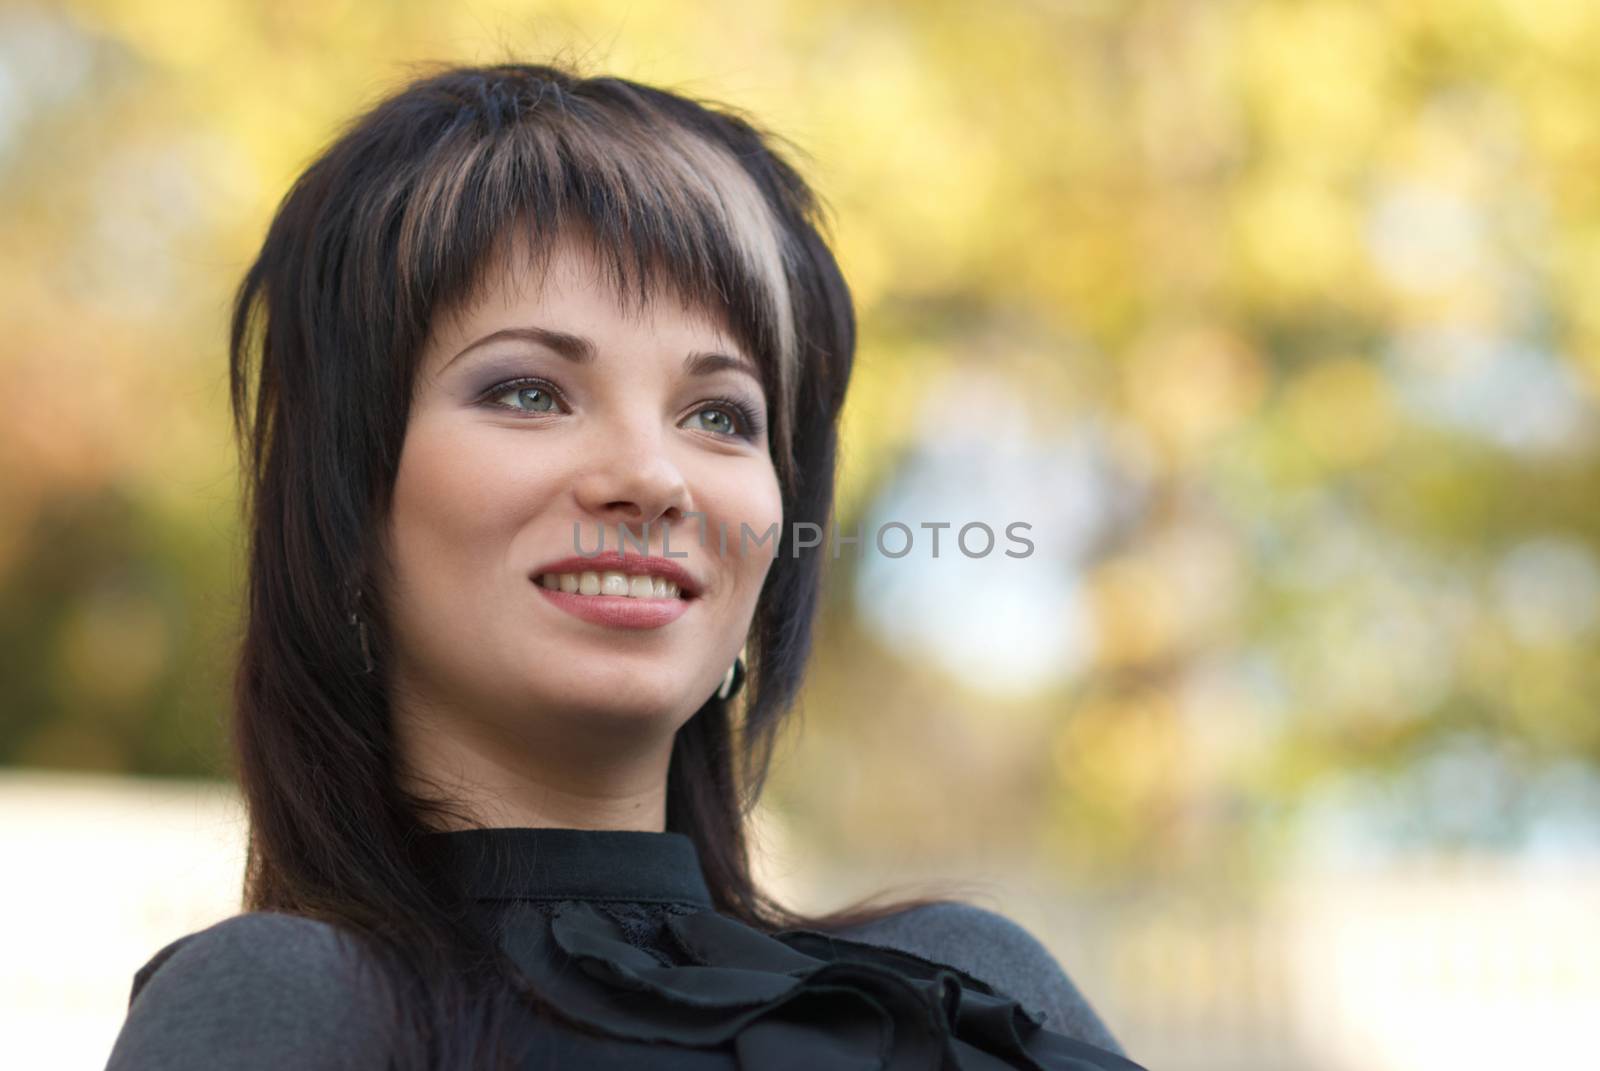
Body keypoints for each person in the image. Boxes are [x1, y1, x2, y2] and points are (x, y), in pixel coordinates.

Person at [104, 60, 1144, 1070]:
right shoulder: (292, 1004)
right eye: (527, 391)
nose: (652, 477)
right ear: (346, 507)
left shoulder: (970, 991)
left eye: (719, 415)